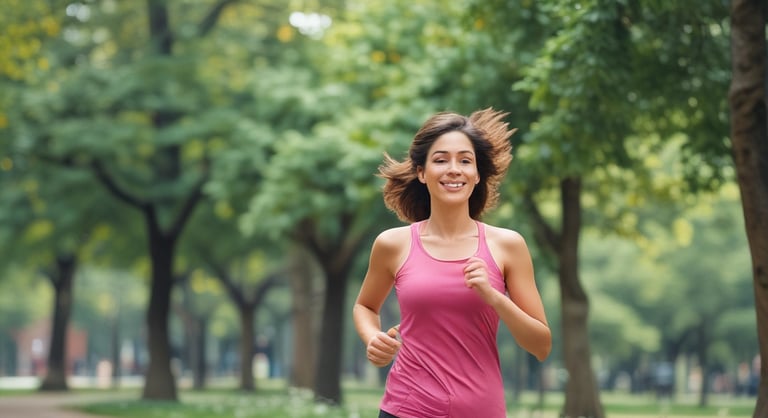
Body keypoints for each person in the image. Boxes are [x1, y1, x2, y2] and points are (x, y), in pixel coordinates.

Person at [352, 108, 552, 418]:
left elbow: (541, 345)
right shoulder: (393, 244)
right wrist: (373, 338)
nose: (454, 169)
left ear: (477, 174)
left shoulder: (507, 246)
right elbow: (365, 306)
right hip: (406, 409)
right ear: (422, 172)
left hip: (481, 411)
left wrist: (494, 296)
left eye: (465, 161)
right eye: (441, 159)